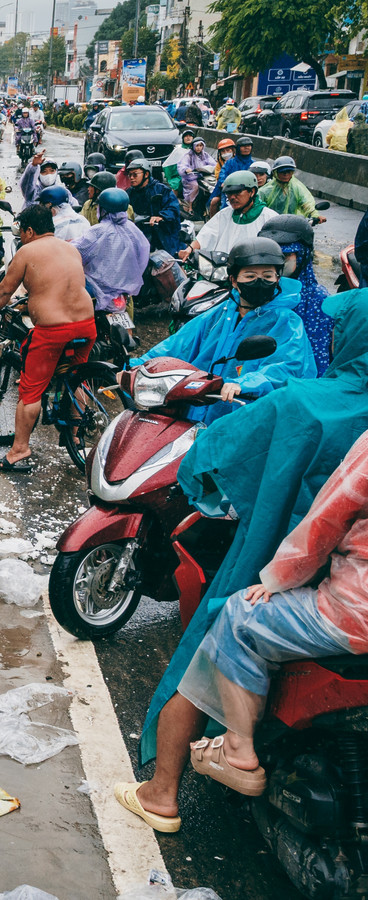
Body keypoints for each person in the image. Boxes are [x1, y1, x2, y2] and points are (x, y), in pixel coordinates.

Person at [121, 288, 368, 833]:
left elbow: (210, 462)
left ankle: (164, 792)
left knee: (213, 635)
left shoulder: (301, 403)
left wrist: (273, 572)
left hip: (291, 558)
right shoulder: (260, 330)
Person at [134, 238, 316, 422]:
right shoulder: (221, 313)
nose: (259, 282)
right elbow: (179, 344)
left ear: (278, 280)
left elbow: (289, 367)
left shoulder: (287, 322)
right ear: (234, 280)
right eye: (250, 276)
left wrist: (244, 384)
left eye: (268, 276)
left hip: (248, 417)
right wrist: (138, 365)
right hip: (199, 406)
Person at [0, 206, 96, 472]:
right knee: (75, 377)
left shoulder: (26, 251)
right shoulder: (69, 248)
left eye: (22, 231)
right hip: (86, 326)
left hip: (53, 331)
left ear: (29, 230)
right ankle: (74, 436)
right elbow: (58, 288)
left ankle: (19, 451)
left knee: (30, 391)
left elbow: (5, 290)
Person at [259, 214, 333, 374]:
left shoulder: (317, 300)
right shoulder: (257, 289)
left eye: (284, 257)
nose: (276, 264)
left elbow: (317, 356)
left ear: (303, 256)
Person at [77, 189, 150, 318]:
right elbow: (142, 256)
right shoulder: (134, 230)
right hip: (124, 290)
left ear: (103, 210)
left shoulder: (98, 231)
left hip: (98, 289)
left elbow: (77, 251)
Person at [182, 171, 276, 260]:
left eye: (237, 192)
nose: (232, 197)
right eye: (229, 193)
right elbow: (206, 235)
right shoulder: (224, 214)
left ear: (252, 191)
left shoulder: (269, 218)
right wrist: (190, 249)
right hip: (220, 269)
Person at [123, 159, 187, 256]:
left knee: (171, 264)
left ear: (146, 174)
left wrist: (162, 216)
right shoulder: (129, 193)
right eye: (130, 175)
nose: (131, 178)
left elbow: (172, 208)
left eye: (135, 174)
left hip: (160, 234)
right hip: (138, 233)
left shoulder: (162, 190)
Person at [260, 156, 324, 222]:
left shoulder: (297, 188)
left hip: (292, 225)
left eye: (289, 172)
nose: (286, 175)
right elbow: (257, 208)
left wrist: (315, 215)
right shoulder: (265, 191)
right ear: (275, 173)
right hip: (269, 224)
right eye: (283, 172)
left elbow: (306, 203)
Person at [208, 135, 256, 213]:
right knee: (225, 207)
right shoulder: (230, 163)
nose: (246, 148)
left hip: (248, 191)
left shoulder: (254, 164)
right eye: (243, 146)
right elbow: (222, 175)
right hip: (230, 190)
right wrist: (225, 184)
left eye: (248, 146)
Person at [179, 137, 216, 219]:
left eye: (201, 145)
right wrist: (186, 170)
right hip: (190, 178)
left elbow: (213, 163)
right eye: (197, 146)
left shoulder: (205, 155)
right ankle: (190, 206)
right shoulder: (188, 156)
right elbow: (182, 166)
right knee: (194, 186)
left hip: (202, 176)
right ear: (193, 146)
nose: (199, 148)